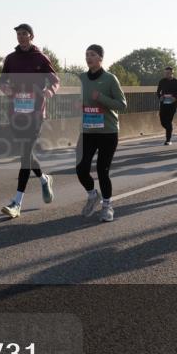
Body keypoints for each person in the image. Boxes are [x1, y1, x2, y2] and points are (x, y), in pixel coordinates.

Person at [0, 23, 61, 219]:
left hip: (35, 113)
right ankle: (44, 179)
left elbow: (55, 80)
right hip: (16, 112)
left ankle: (17, 202)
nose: (21, 37)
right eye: (18, 34)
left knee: (25, 154)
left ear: (31, 36)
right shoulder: (11, 58)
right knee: (25, 152)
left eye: (24, 33)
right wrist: (6, 89)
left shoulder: (40, 58)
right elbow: (2, 80)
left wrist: (49, 91)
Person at [77, 45, 128, 223]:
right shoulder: (81, 78)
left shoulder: (110, 79)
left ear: (100, 58)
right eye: (86, 55)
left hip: (107, 131)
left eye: (92, 55)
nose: (88, 58)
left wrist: (102, 98)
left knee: (102, 170)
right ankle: (93, 195)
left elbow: (122, 105)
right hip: (88, 131)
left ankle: (107, 206)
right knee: (81, 168)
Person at [156, 66, 177, 145]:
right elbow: (158, 92)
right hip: (163, 105)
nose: (166, 74)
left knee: (168, 121)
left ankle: (168, 140)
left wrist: (176, 98)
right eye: (165, 73)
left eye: (168, 73)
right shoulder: (162, 81)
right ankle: (170, 128)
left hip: (172, 105)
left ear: (172, 73)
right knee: (163, 122)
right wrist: (160, 97)